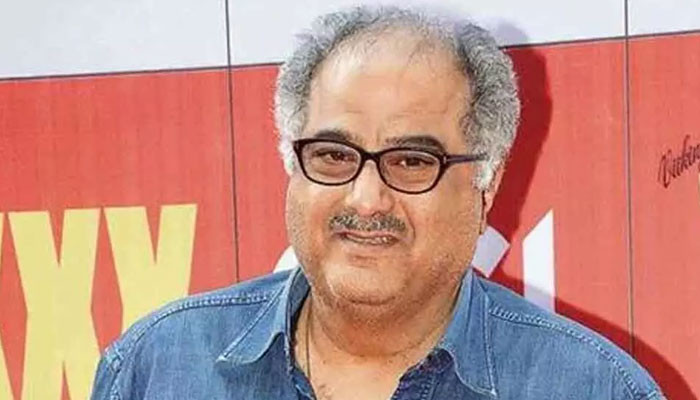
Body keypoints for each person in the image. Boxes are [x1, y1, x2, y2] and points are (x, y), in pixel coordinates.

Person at [91, 5, 664, 400]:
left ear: (485, 186)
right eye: (334, 155)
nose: (367, 199)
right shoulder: (157, 369)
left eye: (411, 162)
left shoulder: (593, 388)